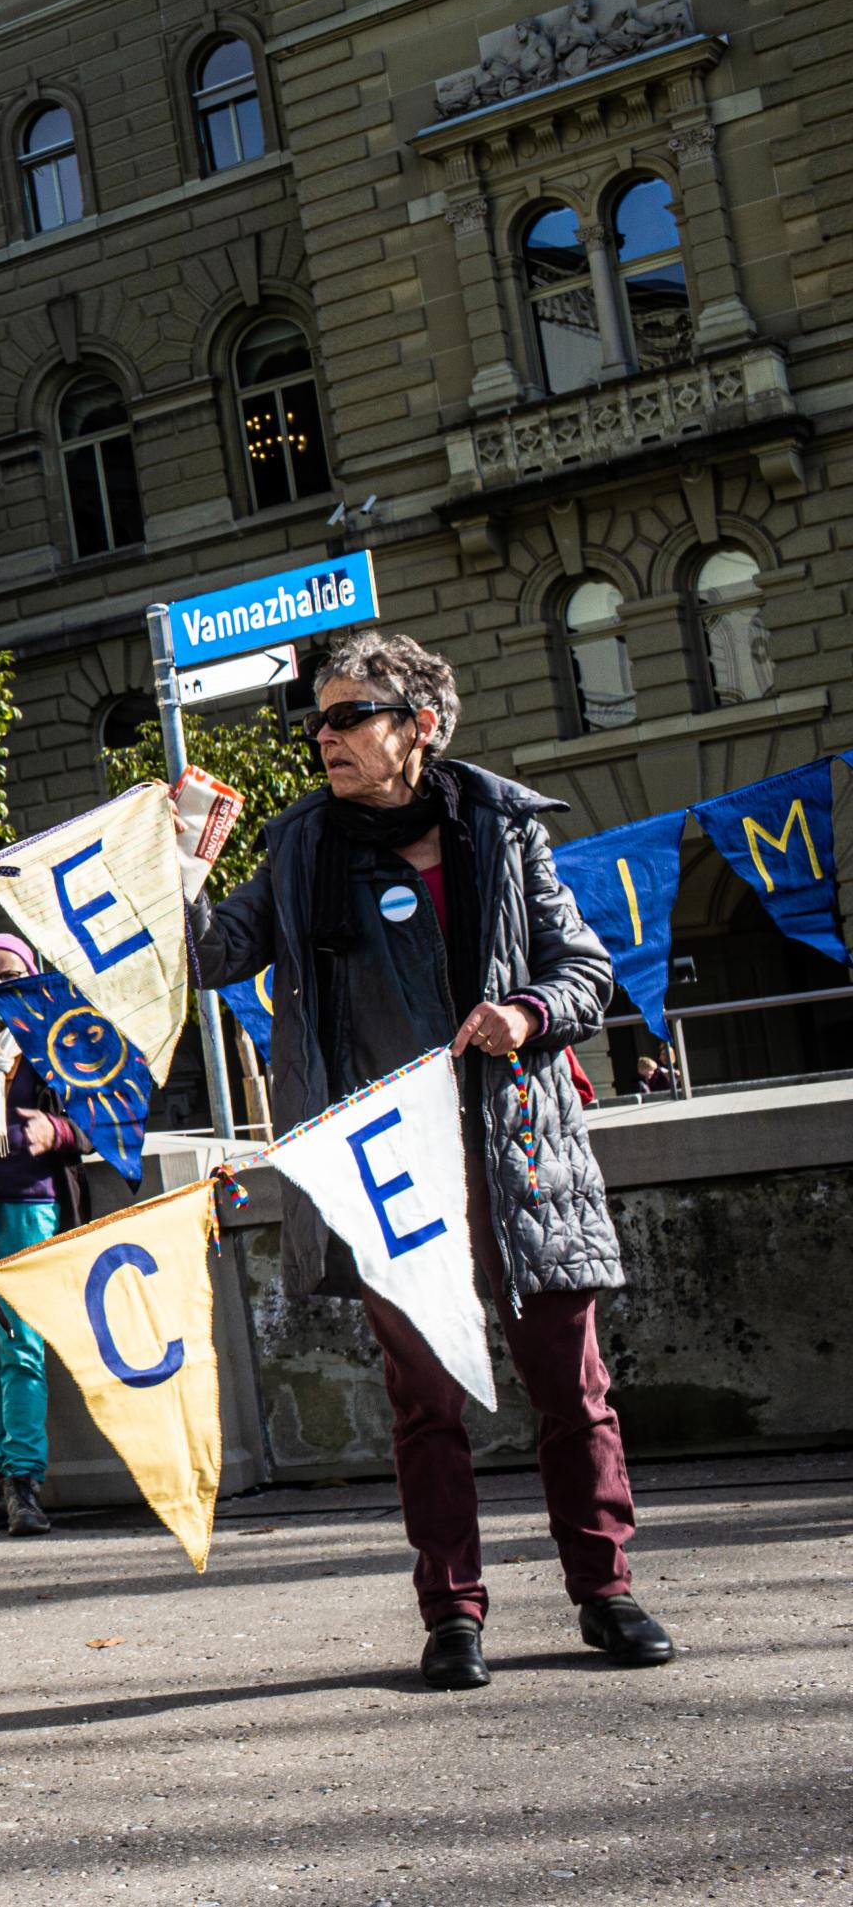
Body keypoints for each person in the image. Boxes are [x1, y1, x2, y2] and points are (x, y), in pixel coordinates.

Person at [188, 628, 670, 1691]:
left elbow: (581, 969)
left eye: (348, 714)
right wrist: (172, 879)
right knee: (423, 1403)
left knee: (570, 1386)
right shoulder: (301, 844)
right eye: (316, 717)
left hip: (516, 1145)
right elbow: (213, 954)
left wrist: (527, 1009)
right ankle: (449, 1614)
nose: (323, 735)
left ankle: (605, 1590)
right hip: (383, 1166)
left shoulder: (499, 828)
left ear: (419, 726)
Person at [0, 933, 83, 1538]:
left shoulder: (51, 1042)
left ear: (32, 977)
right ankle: (2, 1476)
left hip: (31, 1204)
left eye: (8, 975)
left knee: (22, 1347)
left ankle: (24, 1486)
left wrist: (55, 1132)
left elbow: (103, 1121)